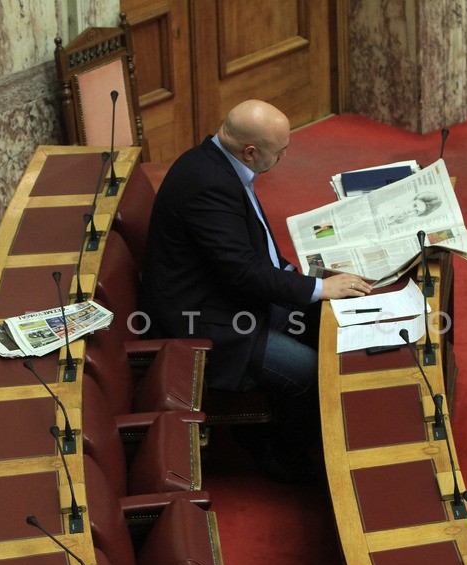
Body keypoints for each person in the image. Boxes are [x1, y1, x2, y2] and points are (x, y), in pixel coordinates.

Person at [138, 99, 371, 482]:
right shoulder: (207, 186)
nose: (283, 157)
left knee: (329, 321)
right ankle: (281, 454)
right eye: (279, 152)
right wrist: (317, 286)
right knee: (313, 373)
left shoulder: (214, 161)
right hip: (209, 321)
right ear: (250, 151)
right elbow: (242, 273)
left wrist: (306, 284)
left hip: (230, 297)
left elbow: (249, 252)